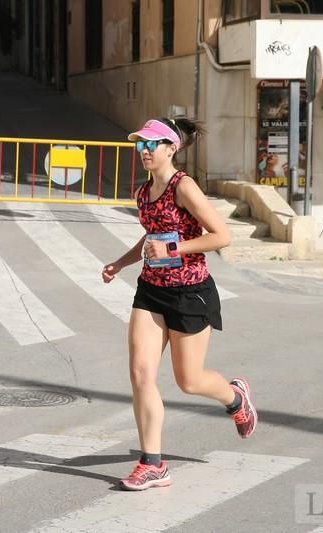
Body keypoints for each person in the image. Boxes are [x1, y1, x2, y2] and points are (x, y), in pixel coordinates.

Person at [101, 117, 257, 491]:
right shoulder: (143, 192)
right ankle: (152, 463)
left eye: (151, 145)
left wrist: (173, 248)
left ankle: (236, 399)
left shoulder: (183, 187)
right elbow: (151, 236)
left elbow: (222, 236)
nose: (144, 151)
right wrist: (122, 263)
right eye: (140, 145)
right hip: (151, 291)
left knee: (189, 381)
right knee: (141, 375)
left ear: (172, 148)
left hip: (190, 293)